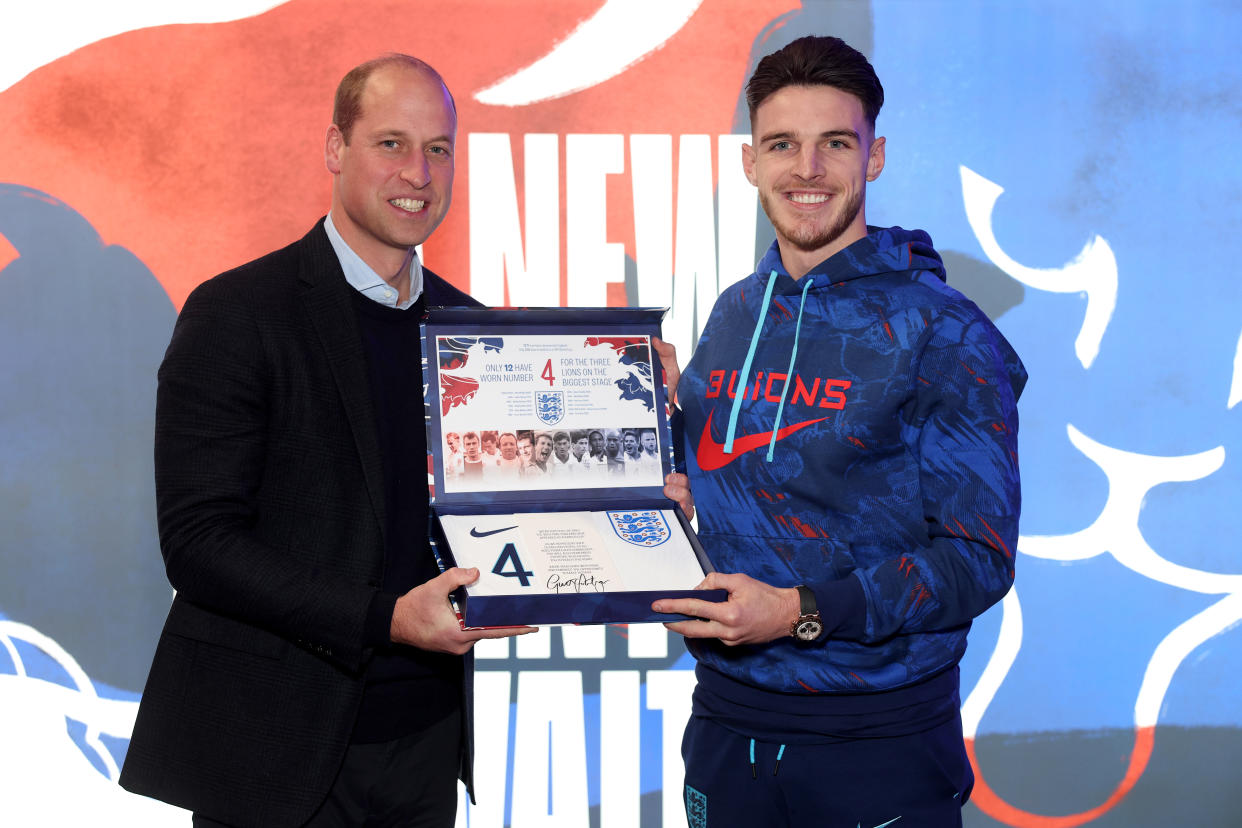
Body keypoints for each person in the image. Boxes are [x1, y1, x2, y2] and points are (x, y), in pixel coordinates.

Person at [119, 54, 530, 827]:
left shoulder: (474, 333)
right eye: (391, 144)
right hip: (274, 751)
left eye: (439, 148)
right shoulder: (238, 313)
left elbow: (521, 501)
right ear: (336, 148)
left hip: (425, 745)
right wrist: (386, 619)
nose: (419, 172)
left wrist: (636, 471)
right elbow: (200, 543)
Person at [651, 36, 1025, 827]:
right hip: (725, 724)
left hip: (878, 738)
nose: (807, 170)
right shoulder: (736, 313)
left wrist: (798, 611)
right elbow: (736, 464)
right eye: (783, 145)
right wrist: (650, 424)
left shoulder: (944, 333)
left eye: (835, 144)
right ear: (751, 161)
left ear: (875, 156)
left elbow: (976, 561)